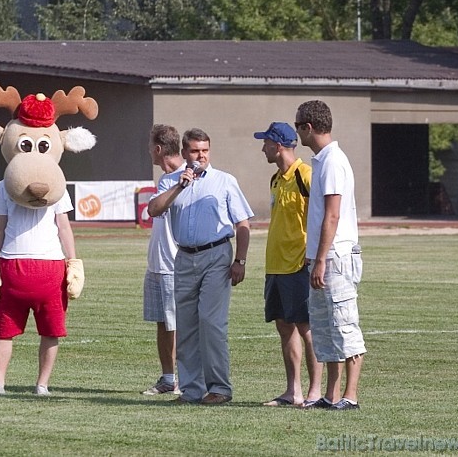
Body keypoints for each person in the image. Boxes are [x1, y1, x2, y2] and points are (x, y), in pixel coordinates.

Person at [149, 128, 254, 405]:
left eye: (205, 150)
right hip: (183, 257)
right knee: (186, 325)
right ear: (184, 153)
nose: (201, 156)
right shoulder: (170, 181)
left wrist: (240, 260)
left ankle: (220, 388)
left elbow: (242, 224)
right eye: (195, 151)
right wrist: (180, 185)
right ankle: (192, 390)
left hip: (216, 255)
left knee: (211, 322)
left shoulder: (224, 181)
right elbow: (154, 209)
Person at [295, 100, 366, 411]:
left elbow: (333, 216)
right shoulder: (321, 160)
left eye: (298, 125)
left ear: (309, 127)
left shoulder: (334, 161)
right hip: (322, 256)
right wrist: (312, 257)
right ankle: (331, 395)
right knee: (325, 328)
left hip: (336, 255)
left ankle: (350, 396)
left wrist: (321, 258)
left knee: (344, 323)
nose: (297, 131)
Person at [0, 182, 82, 397]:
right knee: (4, 329)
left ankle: (42, 384)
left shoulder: (57, 184)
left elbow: (63, 226)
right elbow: (0, 225)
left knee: (51, 329)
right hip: (12, 261)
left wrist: (74, 261)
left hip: (51, 263)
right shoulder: (6, 185)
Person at [253, 122, 323, 408]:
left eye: (266, 143)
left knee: (306, 328)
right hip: (275, 265)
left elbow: (320, 218)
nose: (262, 148)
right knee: (284, 327)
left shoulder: (305, 175)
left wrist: (314, 257)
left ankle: (315, 391)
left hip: (298, 264)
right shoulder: (275, 179)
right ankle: (292, 391)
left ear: (278, 145)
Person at [141, 124, 185, 395]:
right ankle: (168, 378)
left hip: (175, 265)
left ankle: (186, 377)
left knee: (178, 325)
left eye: (150, 148)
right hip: (157, 264)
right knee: (162, 323)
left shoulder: (187, 178)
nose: (149, 153)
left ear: (158, 149)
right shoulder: (165, 179)